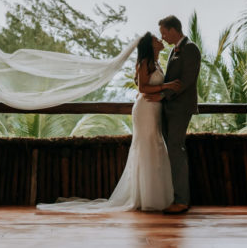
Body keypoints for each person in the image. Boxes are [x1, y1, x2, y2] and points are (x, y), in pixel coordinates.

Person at [36, 32, 181, 213]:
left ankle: (153, 195)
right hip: (146, 110)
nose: (160, 41)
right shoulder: (145, 63)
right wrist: (166, 87)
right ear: (150, 46)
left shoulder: (157, 63)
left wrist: (160, 93)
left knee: (155, 145)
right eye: (156, 40)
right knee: (147, 146)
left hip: (154, 109)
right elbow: (143, 88)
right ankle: (145, 197)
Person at [143, 15, 201, 214]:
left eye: (164, 32)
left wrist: (162, 95)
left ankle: (182, 201)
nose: (163, 37)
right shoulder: (173, 52)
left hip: (180, 108)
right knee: (173, 151)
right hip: (170, 108)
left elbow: (187, 80)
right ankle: (176, 196)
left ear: (174, 30)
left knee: (176, 150)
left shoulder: (190, 48)